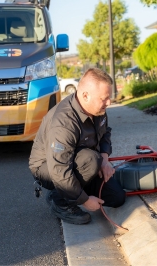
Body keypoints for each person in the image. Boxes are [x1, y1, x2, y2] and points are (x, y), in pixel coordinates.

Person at [29, 68, 126, 225]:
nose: (109, 102)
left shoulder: (98, 110)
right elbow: (59, 169)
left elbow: (105, 133)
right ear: (85, 95)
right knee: (91, 160)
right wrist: (85, 201)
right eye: (104, 98)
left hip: (80, 163)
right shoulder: (64, 122)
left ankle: (74, 190)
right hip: (49, 169)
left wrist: (105, 158)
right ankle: (60, 200)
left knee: (117, 197)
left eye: (109, 97)